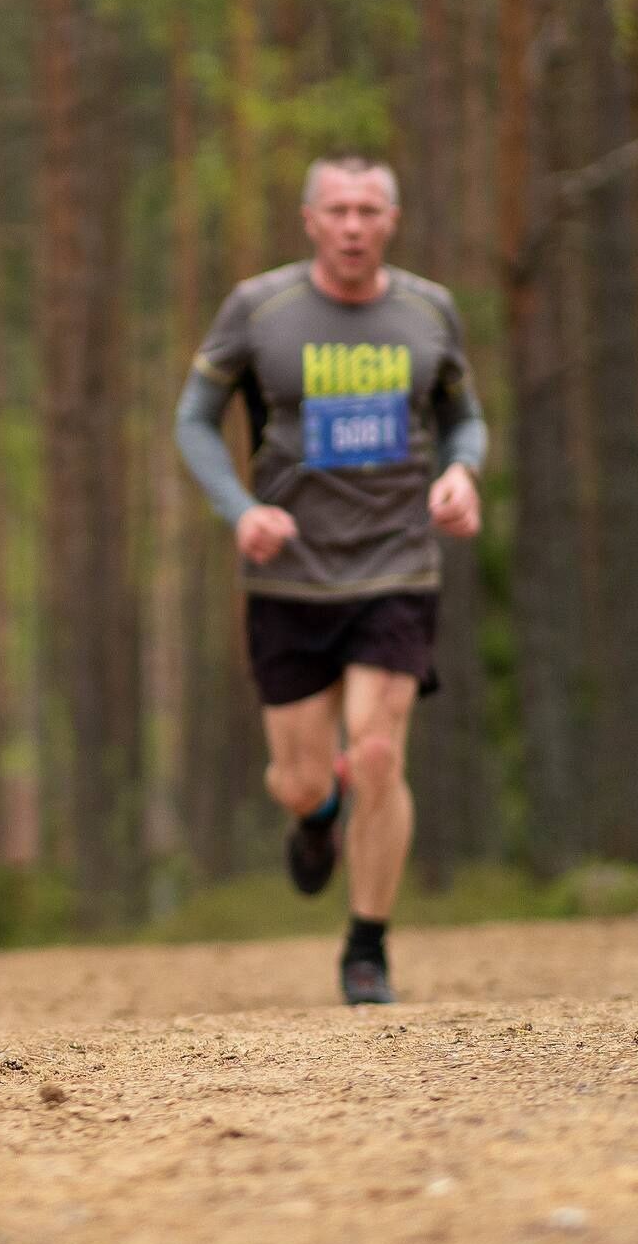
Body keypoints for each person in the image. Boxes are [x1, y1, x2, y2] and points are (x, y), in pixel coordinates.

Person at [174, 155, 485, 1007]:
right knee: (305, 776)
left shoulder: (429, 311)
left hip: (397, 563)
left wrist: (462, 473)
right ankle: (314, 819)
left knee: (378, 751)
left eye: (370, 210)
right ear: (310, 219)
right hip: (290, 573)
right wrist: (239, 508)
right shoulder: (259, 309)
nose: (354, 225)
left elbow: (463, 415)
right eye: (338, 210)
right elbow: (195, 419)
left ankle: (367, 946)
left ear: (392, 219)